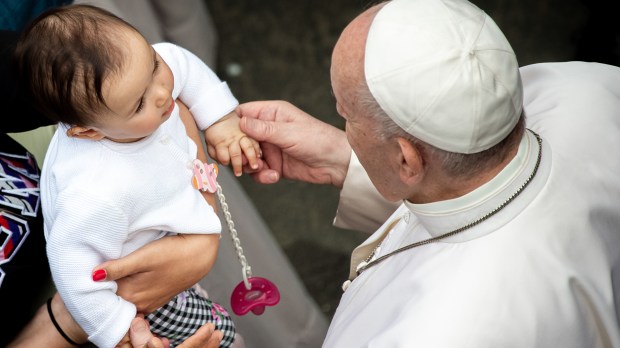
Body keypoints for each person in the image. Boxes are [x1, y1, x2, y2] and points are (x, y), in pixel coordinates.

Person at [235, 0, 620, 346]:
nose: (342, 122)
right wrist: (346, 160)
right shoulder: (588, 86)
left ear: (407, 161)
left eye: (345, 115)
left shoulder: (430, 335)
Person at [15, 4, 261, 347]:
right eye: (138, 104)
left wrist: (220, 119)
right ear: (88, 132)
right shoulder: (94, 195)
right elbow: (74, 274)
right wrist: (117, 330)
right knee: (219, 337)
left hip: (172, 231)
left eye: (153, 68)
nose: (162, 93)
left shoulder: (136, 78)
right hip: (142, 295)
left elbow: (178, 61)